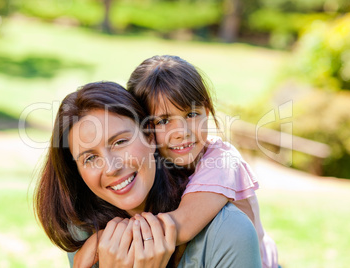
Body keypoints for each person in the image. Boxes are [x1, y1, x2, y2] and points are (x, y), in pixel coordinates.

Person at [34, 81, 262, 267]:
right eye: (90, 158)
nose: (111, 167)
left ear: (150, 137)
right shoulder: (83, 225)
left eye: (120, 141)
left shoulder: (229, 233)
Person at [127, 55, 279, 268]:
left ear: (206, 112)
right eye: (163, 120)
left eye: (191, 114)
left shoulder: (222, 162)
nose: (182, 132)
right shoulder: (153, 162)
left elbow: (182, 226)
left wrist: (100, 241)